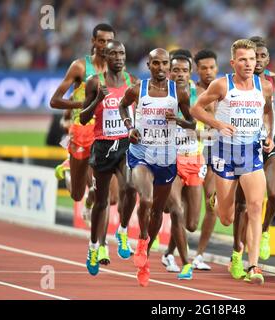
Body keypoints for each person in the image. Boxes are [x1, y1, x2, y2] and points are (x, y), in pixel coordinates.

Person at [191, 39, 274, 285]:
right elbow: (197, 109)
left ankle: (254, 265)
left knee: (256, 206)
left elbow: (268, 111)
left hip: (250, 153)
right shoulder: (221, 85)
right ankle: (217, 200)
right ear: (233, 62)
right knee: (226, 218)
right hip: (224, 154)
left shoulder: (265, 86)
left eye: (252, 59)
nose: (249, 64)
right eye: (243, 59)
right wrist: (218, 124)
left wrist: (269, 135)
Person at [119, 48, 195, 287]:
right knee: (147, 199)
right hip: (140, 151)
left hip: (166, 155)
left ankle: (146, 250)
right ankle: (141, 240)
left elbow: (192, 122)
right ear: (149, 65)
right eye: (156, 63)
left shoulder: (179, 91)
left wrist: (180, 121)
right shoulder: (137, 89)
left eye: (165, 63)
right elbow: (123, 106)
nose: (161, 68)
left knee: (158, 211)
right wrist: (130, 126)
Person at [50, 23, 118, 225]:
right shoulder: (80, 67)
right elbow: (54, 100)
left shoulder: (116, 69)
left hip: (106, 133)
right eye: (101, 41)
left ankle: (92, 212)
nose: (106, 45)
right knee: (77, 194)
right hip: (82, 130)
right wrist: (84, 104)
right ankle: (69, 172)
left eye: (109, 41)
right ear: (93, 42)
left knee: (110, 196)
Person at [80, 40, 138, 275]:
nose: (118, 58)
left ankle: (123, 231)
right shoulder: (95, 82)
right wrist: (97, 101)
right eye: (113, 54)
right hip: (103, 147)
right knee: (102, 201)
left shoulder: (132, 82)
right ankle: (94, 246)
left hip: (125, 144)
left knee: (131, 187)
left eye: (122, 53)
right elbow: (83, 118)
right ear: (105, 56)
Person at [231, 36, 275, 265]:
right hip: (242, 146)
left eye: (263, 56)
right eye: (256, 57)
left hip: (269, 145)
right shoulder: (236, 83)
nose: (259, 61)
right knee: (241, 206)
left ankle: (264, 231)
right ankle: (237, 251)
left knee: (274, 194)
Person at [161, 53, 206, 280]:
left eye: (184, 71)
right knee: (175, 210)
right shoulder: (161, 93)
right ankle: (185, 262)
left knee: (191, 224)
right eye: (175, 70)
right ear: (169, 72)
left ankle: (168, 252)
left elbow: (207, 131)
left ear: (190, 73)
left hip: (194, 160)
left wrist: (185, 124)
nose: (179, 74)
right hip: (170, 160)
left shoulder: (201, 96)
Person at [191, 49, 219, 271]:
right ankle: (173, 250)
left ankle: (199, 255)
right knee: (186, 210)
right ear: (196, 69)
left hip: (215, 154)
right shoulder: (191, 91)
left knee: (212, 205)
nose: (208, 72)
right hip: (191, 152)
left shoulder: (224, 89)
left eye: (212, 67)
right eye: (204, 68)